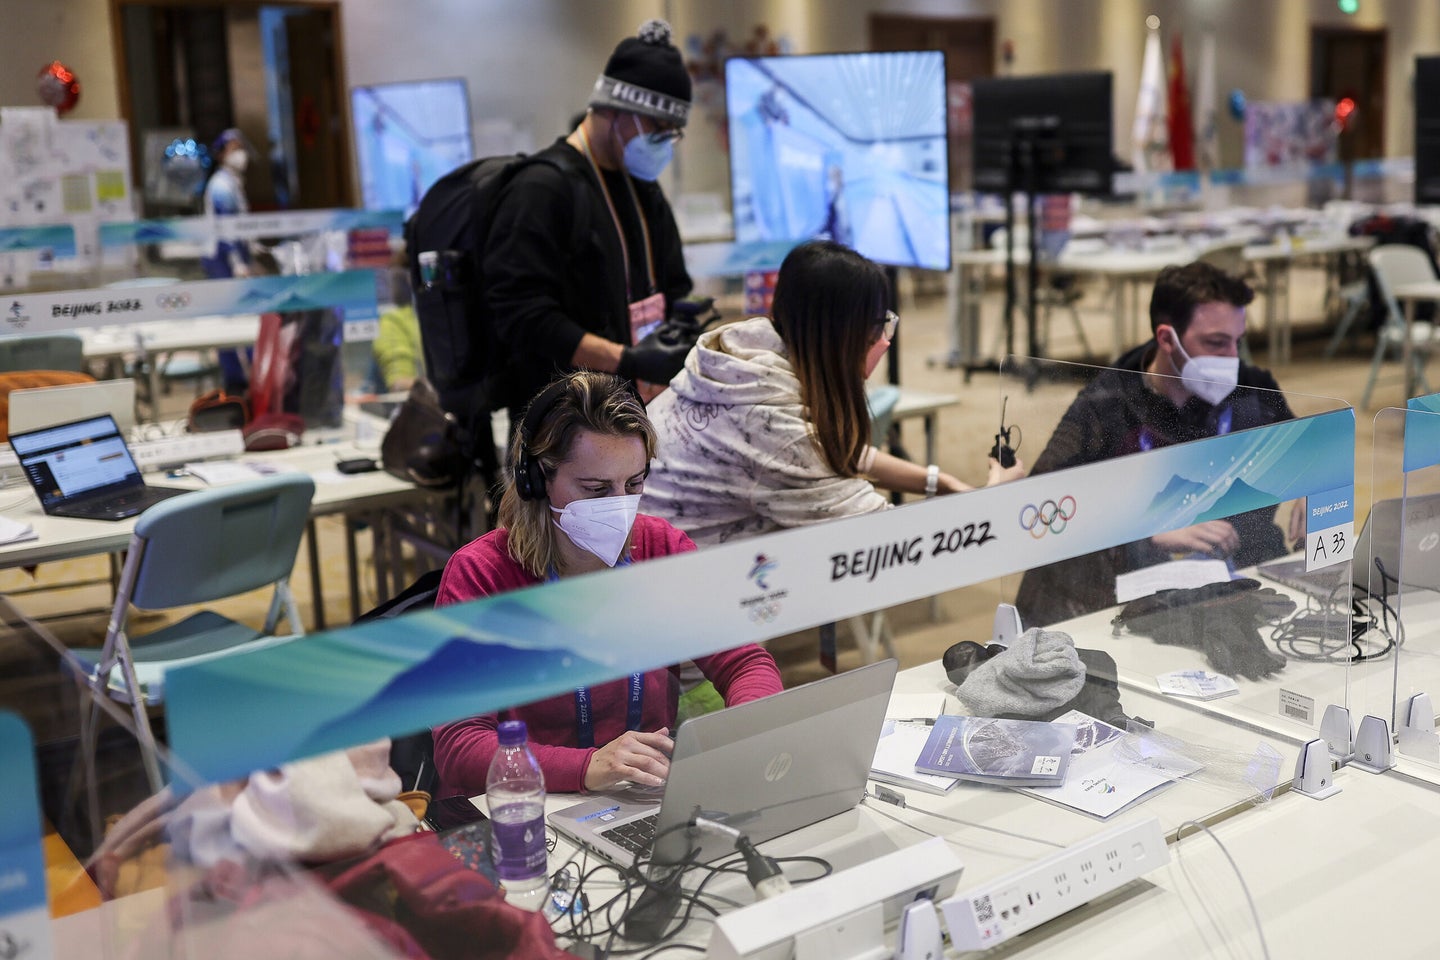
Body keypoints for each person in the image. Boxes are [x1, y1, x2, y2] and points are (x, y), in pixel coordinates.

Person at [431, 371, 783, 796]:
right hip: (530, 809)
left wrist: (743, 731)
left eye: (633, 484)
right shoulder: (482, 574)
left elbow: (745, 662)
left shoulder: (660, 547)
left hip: (641, 798)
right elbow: (459, 744)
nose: (619, 506)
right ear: (537, 479)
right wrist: (587, 767)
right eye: (596, 489)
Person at [642, 240, 1025, 546]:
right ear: (845, 336)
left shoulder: (744, 358)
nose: (884, 337)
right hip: (673, 609)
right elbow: (889, 543)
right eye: (879, 324)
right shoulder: (774, 428)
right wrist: (991, 501)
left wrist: (939, 483)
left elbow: (830, 451)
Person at [1013, 261, 1299, 627]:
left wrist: (1309, 487)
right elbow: (1043, 511)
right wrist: (1147, 531)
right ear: (1167, 339)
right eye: (1215, 343)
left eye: (1237, 342)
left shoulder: (1249, 386)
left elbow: (1296, 442)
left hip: (1228, 577)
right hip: (1123, 595)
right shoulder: (1105, 406)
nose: (1231, 359)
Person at [483, 19, 698, 425]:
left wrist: (678, 330)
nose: (665, 140)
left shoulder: (643, 189)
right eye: (657, 127)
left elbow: (674, 283)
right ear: (616, 110)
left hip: (634, 417)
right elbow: (523, 315)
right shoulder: (542, 189)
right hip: (559, 429)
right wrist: (626, 359)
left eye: (674, 132)